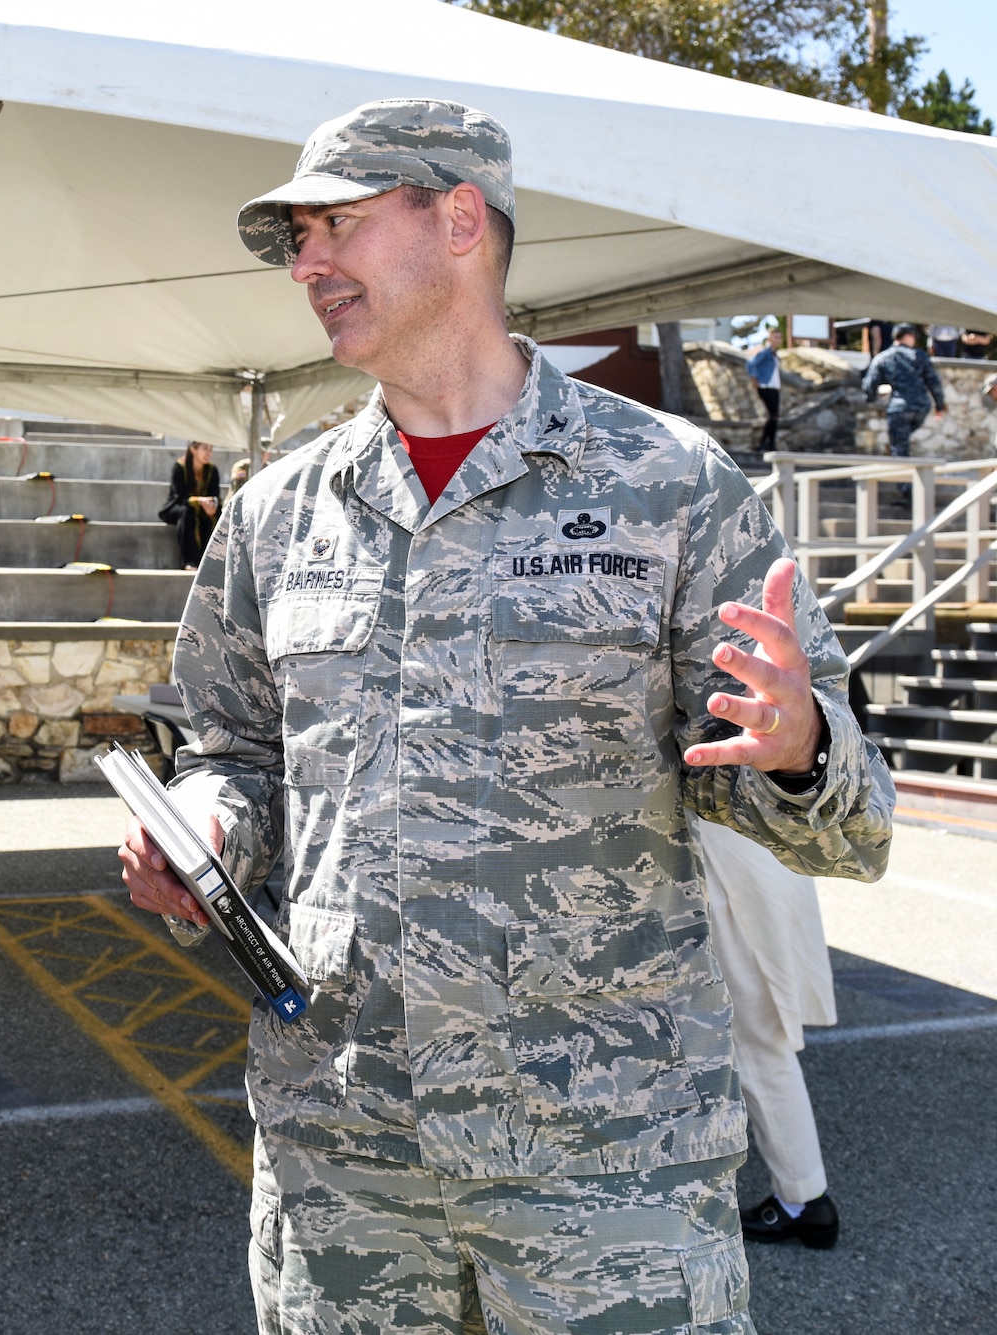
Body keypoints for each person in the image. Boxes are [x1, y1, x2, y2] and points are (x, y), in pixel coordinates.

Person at [118, 97, 893, 1335]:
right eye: (296, 238)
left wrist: (800, 752)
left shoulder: (671, 485)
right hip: (345, 1159)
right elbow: (231, 752)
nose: (306, 264)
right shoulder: (275, 513)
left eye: (335, 226)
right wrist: (203, 821)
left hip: (602, 1154)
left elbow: (845, 829)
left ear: (460, 220)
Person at [691, 818, 841, 1249]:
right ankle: (803, 1196)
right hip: (760, 849)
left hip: (731, 865)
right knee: (761, 1040)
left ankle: (803, 1200)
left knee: (758, 1045)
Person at [861, 322, 947, 461]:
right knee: (903, 441)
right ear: (909, 336)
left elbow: (869, 385)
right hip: (921, 407)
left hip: (899, 408)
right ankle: (906, 479)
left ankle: (904, 482)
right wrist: (939, 406)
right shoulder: (920, 356)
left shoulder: (884, 357)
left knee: (899, 448)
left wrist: (871, 399)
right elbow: (934, 382)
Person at [161, 440, 223, 568]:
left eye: (211, 449)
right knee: (187, 512)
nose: (209, 453)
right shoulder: (180, 467)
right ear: (194, 449)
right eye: (205, 448)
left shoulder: (212, 470)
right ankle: (189, 561)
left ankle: (211, 562)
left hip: (203, 509)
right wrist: (199, 501)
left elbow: (215, 495)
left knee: (217, 513)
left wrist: (212, 505)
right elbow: (180, 496)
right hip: (179, 507)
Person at [746, 337, 782, 452]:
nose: (778, 340)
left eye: (779, 337)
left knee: (775, 417)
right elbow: (751, 364)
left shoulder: (774, 354)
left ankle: (770, 443)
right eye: (776, 337)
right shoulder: (766, 352)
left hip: (775, 387)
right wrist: (754, 379)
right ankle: (764, 443)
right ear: (771, 339)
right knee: (773, 415)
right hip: (766, 386)